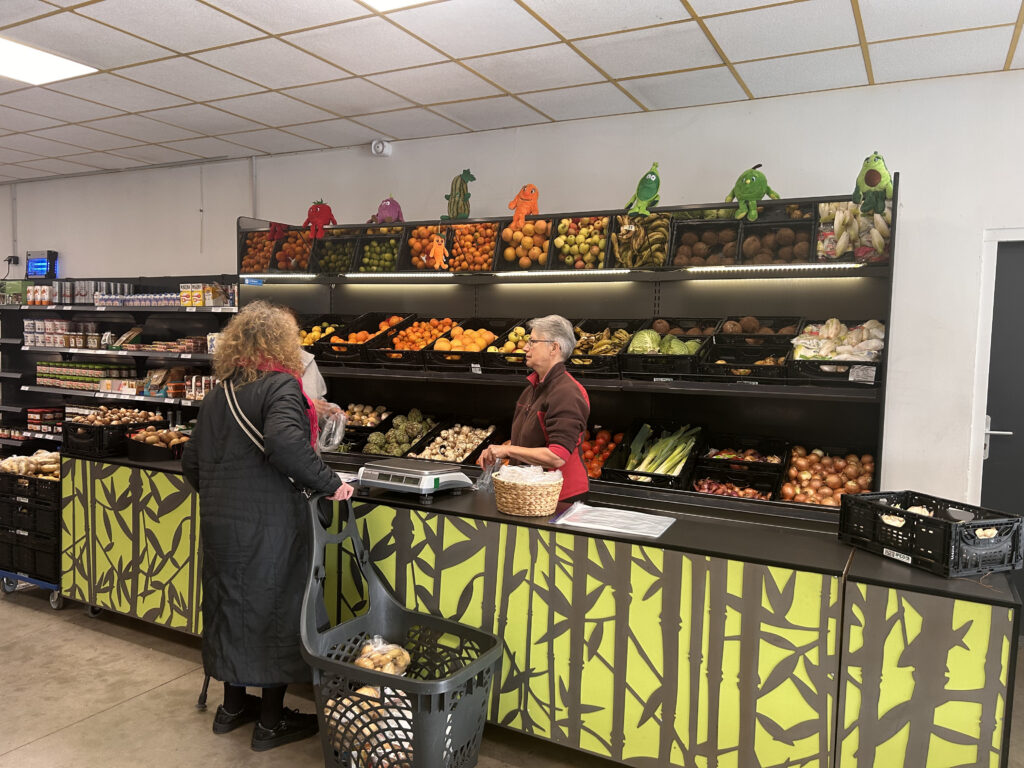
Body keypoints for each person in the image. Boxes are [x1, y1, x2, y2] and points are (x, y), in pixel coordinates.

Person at [182, 301, 353, 752]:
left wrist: (224, 497)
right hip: (270, 525)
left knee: (230, 606)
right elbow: (286, 446)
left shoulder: (221, 391)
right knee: (276, 610)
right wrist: (331, 483)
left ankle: (232, 709)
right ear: (283, 343)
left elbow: (191, 460)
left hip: (221, 524)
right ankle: (271, 723)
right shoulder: (280, 387)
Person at [480, 315, 590, 503]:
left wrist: (508, 450)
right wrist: (499, 451)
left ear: (554, 348)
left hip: (560, 499)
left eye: (533, 341)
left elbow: (557, 456)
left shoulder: (567, 393)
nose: (525, 347)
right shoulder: (533, 388)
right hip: (532, 493)